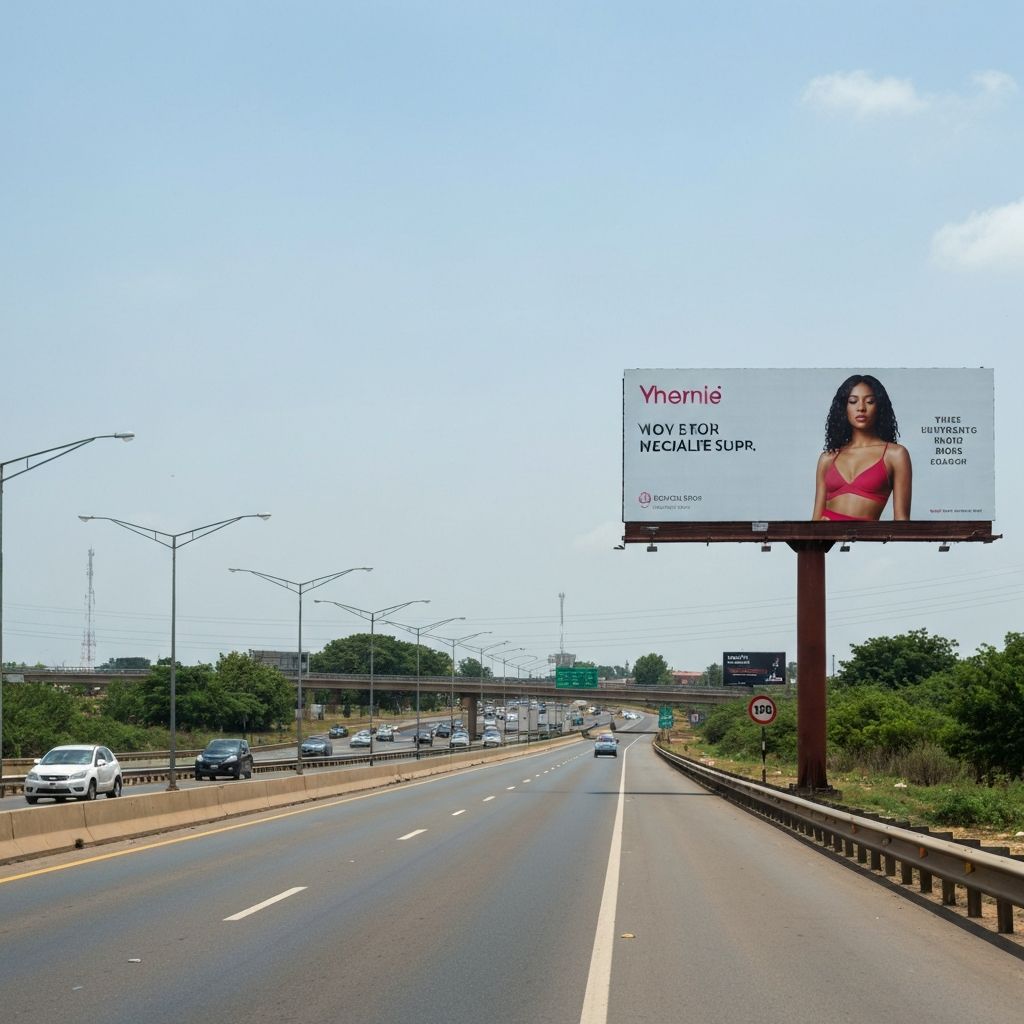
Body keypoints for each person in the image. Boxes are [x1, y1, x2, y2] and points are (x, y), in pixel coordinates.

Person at [812, 374, 912, 521]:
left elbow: (902, 521)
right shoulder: (828, 458)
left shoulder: (895, 455)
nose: (861, 408)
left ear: (879, 407)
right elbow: (814, 521)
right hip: (825, 540)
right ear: (843, 408)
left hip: (863, 541)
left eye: (870, 402)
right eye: (853, 401)